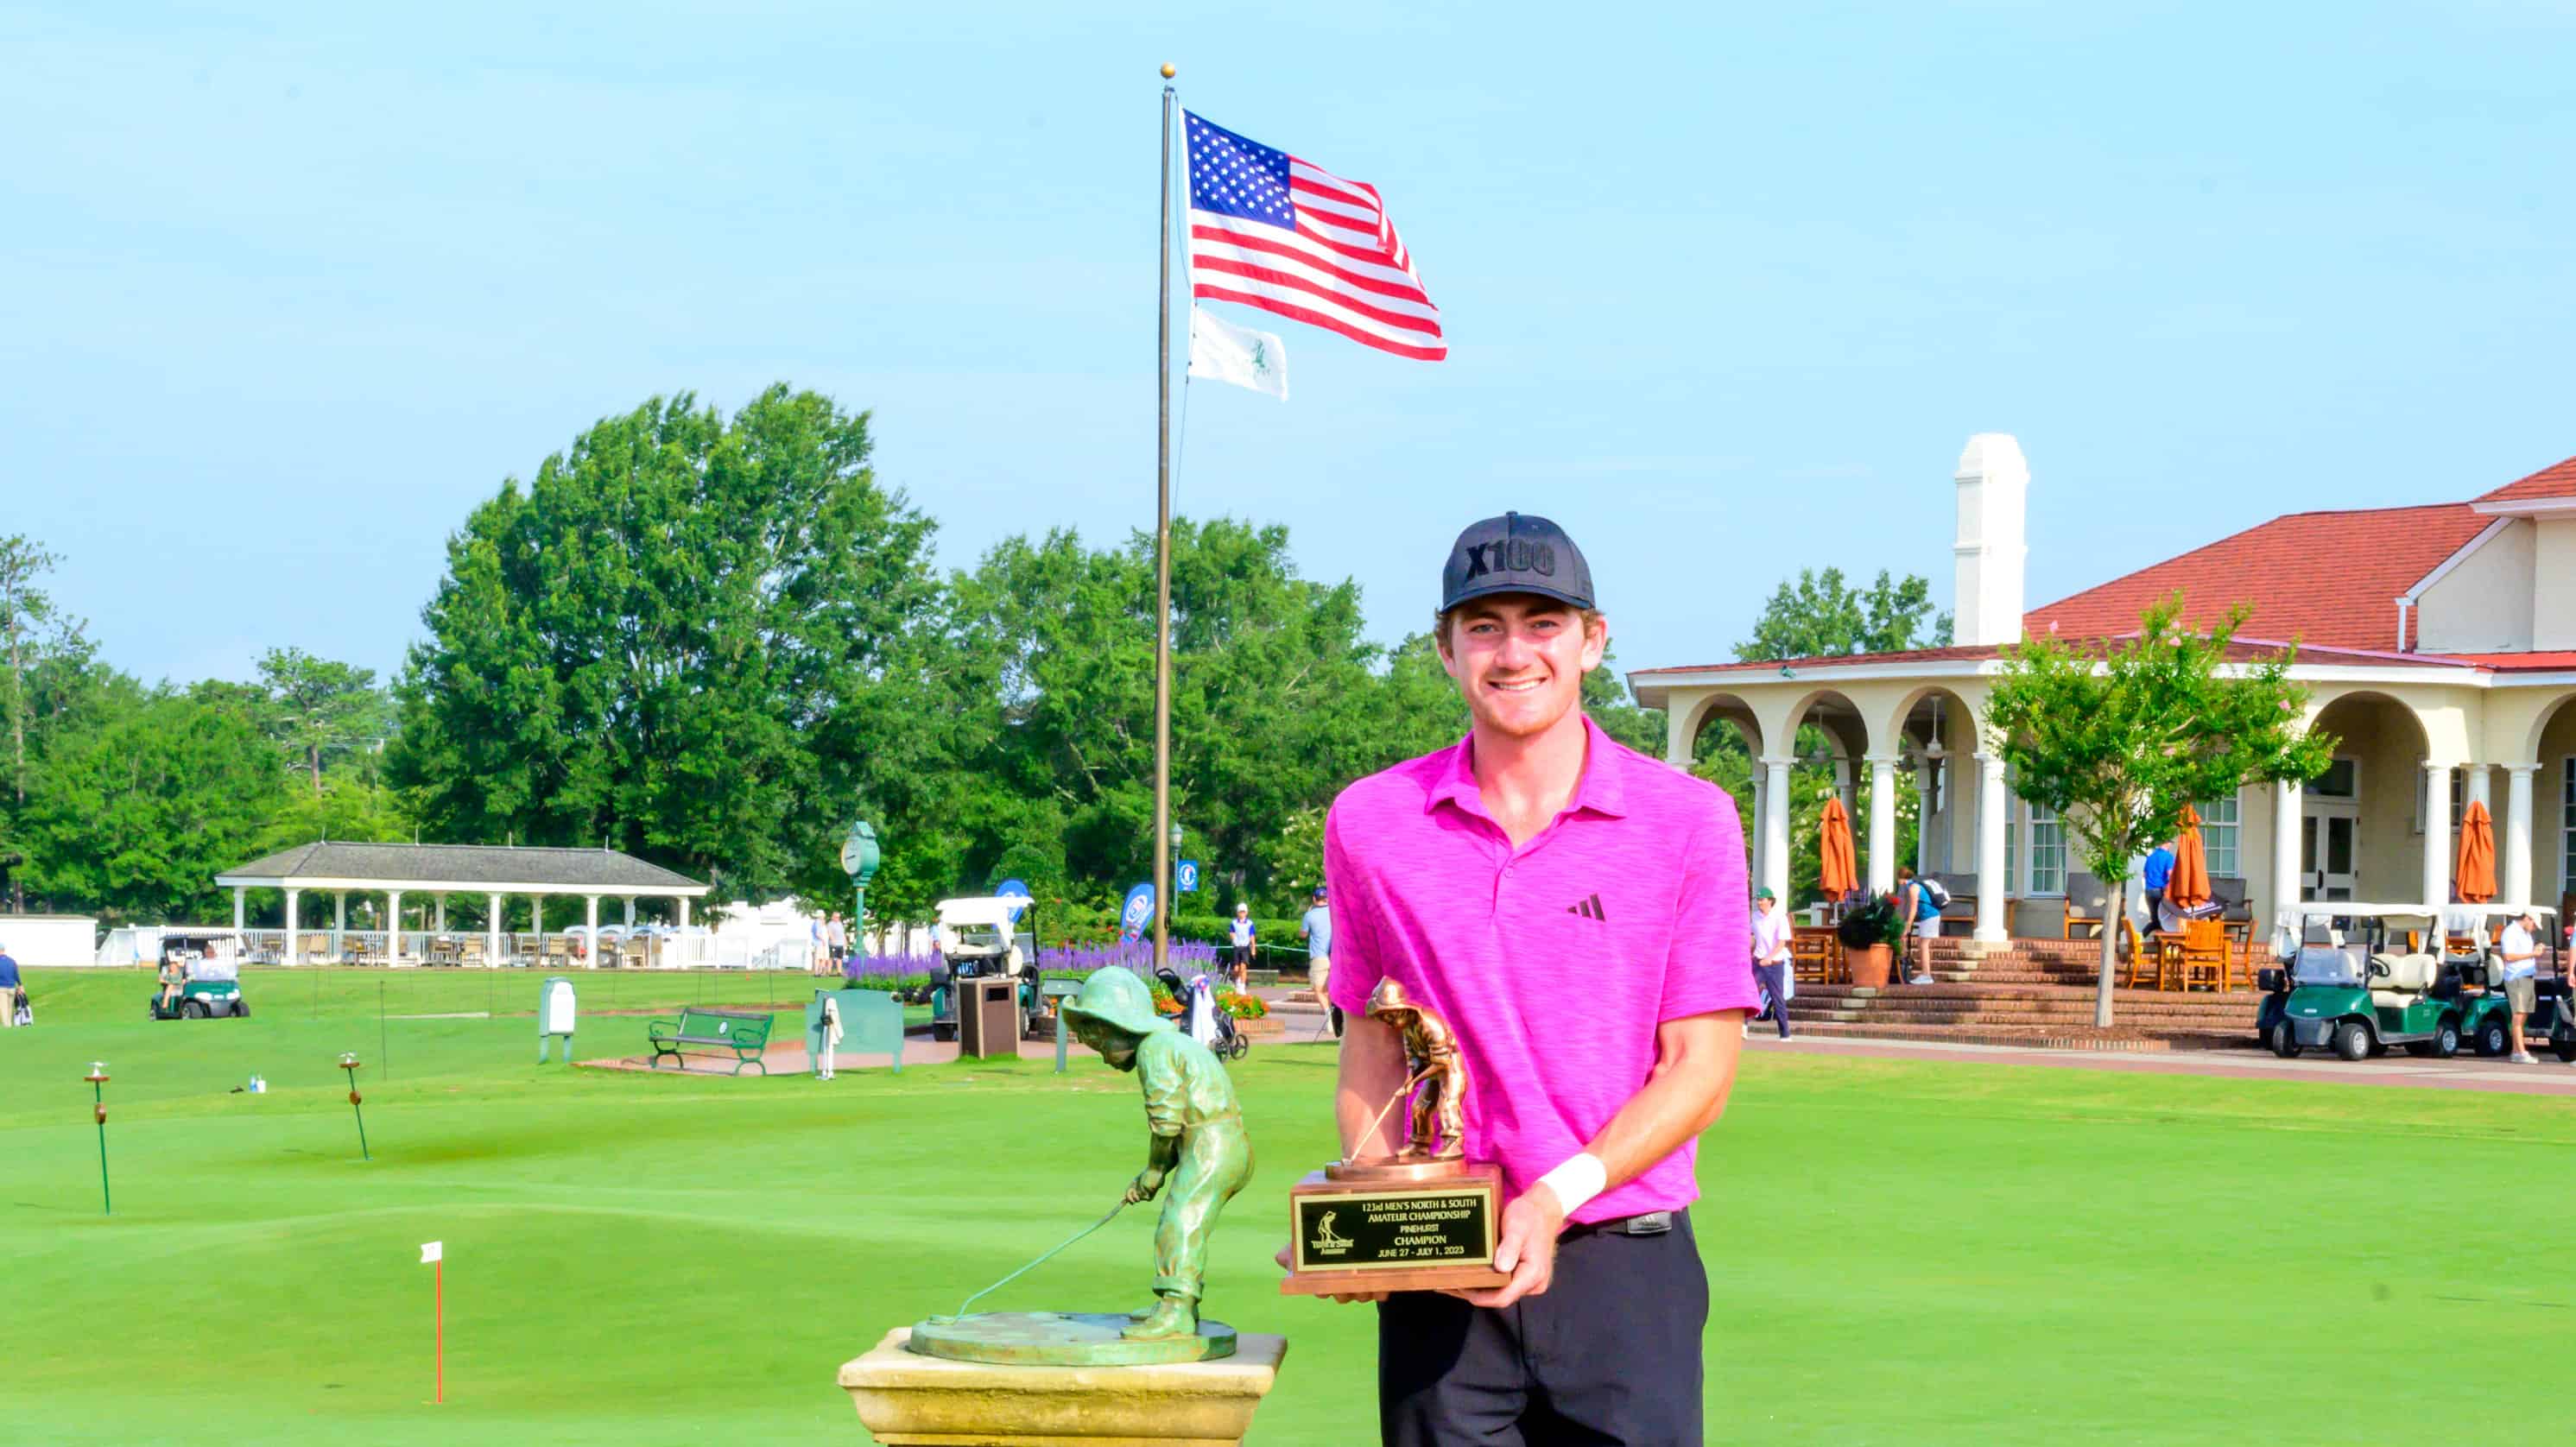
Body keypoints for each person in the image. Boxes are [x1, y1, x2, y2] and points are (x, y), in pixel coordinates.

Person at [1305, 511, 1756, 1447]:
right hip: (1447, 1280)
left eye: (1542, 621)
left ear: (1592, 639)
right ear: (1445, 649)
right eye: (1484, 625)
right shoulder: (1370, 819)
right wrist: (1378, 1219)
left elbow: (1698, 1066)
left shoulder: (1689, 820)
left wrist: (1552, 1199)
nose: (1514, 651)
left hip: (1623, 1267)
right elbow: (1375, 1042)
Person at [1060, 967, 1254, 1340]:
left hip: (1213, 1146)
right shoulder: (1170, 1044)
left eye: (1101, 1046)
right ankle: (1178, 1304)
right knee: (1184, 1219)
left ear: (1119, 1028)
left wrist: (1153, 1170)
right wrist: (1156, 1172)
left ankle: (1177, 1309)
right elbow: (1181, 1124)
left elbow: (1166, 1123)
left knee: (1181, 1221)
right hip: (1214, 1144)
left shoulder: (1154, 1049)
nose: (1102, 1058)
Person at [2497, 908, 2543, 1065]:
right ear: (2527, 918)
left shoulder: (2526, 934)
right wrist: (2533, 954)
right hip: (2516, 977)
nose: (2534, 928)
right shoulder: (2510, 932)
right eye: (2534, 924)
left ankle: (2516, 1051)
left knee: (2523, 1015)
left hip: (2527, 976)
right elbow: (2508, 956)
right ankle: (2521, 1052)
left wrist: (2535, 951)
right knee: (2518, 1014)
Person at [1750, 887, 1793, 1041]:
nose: (1760, 902)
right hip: (1759, 961)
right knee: (1750, 991)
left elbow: (1782, 942)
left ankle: (1785, 1034)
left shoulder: (1779, 918)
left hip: (1775, 964)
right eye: (1758, 900)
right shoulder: (1755, 917)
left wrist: (1770, 957)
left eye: (1762, 899)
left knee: (1777, 998)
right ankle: (1743, 1026)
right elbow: (1752, 936)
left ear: (1770, 901)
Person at [1299, 885, 1340, 1037]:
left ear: (1314, 899)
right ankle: (1336, 1017)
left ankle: (1329, 1014)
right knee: (1331, 989)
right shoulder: (1334, 912)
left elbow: (1303, 934)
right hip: (1336, 955)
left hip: (1319, 956)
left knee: (1318, 989)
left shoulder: (1309, 915)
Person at [1893, 865, 1938, 985]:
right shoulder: (1913, 885)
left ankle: (1926, 976)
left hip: (1930, 916)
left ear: (1901, 879)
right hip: (1928, 916)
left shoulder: (1913, 888)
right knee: (1921, 944)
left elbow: (1913, 909)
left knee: (1923, 945)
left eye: (1898, 880)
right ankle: (1926, 974)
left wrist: (1908, 927)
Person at [2141, 838, 2176, 942]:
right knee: (2163, 920)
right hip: (2160, 891)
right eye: (2170, 843)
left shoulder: (2151, 857)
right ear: (2167, 843)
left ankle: (2160, 944)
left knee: (2156, 919)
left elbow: (2144, 874)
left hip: (2149, 891)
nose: (2171, 845)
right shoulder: (2168, 857)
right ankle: (2144, 937)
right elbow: (2170, 874)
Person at [1226, 903, 1257, 991]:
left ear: (1246, 913)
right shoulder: (1234, 923)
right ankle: (1237, 981)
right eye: (1240, 912)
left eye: (1243, 912)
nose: (1242, 913)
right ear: (1237, 913)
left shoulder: (1250, 923)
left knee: (1243, 967)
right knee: (1236, 969)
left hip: (1245, 947)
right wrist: (1234, 940)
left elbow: (1252, 936)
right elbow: (1231, 932)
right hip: (1237, 947)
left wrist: (1253, 948)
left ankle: (1242, 986)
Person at [815, 993, 842, 1079]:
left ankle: (828, 1071)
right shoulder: (830, 1003)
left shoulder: (830, 1003)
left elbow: (834, 1018)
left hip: (829, 1029)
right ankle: (827, 1071)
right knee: (828, 1049)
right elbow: (834, 1018)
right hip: (828, 1029)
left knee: (828, 1049)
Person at [0, 939, 20, 1029]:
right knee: (10, 1007)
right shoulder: (12, 961)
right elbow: (16, 974)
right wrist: (20, 985)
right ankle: (9, 1024)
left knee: (3, 1007)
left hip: (2, 988)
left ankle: (6, 1026)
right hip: (12, 988)